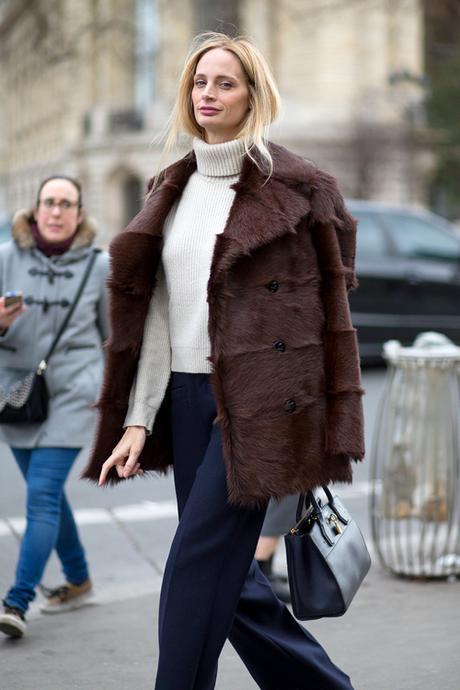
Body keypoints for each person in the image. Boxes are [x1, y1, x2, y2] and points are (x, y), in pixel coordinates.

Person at [83, 32, 365, 690]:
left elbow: (329, 311)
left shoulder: (301, 191)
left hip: (259, 404)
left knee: (192, 566)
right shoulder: (166, 187)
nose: (207, 94)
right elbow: (153, 315)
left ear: (252, 97)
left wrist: (310, 417)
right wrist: (137, 418)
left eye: (225, 83)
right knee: (229, 581)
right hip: (185, 401)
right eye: (199, 82)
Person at [0, 176, 109, 639]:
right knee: (48, 493)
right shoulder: (6, 257)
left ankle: (16, 603)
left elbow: (113, 335)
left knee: (42, 494)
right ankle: (79, 578)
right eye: (50, 202)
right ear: (36, 208)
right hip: (16, 392)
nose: (57, 211)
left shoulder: (99, 266)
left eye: (67, 204)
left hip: (74, 392)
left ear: (79, 214)